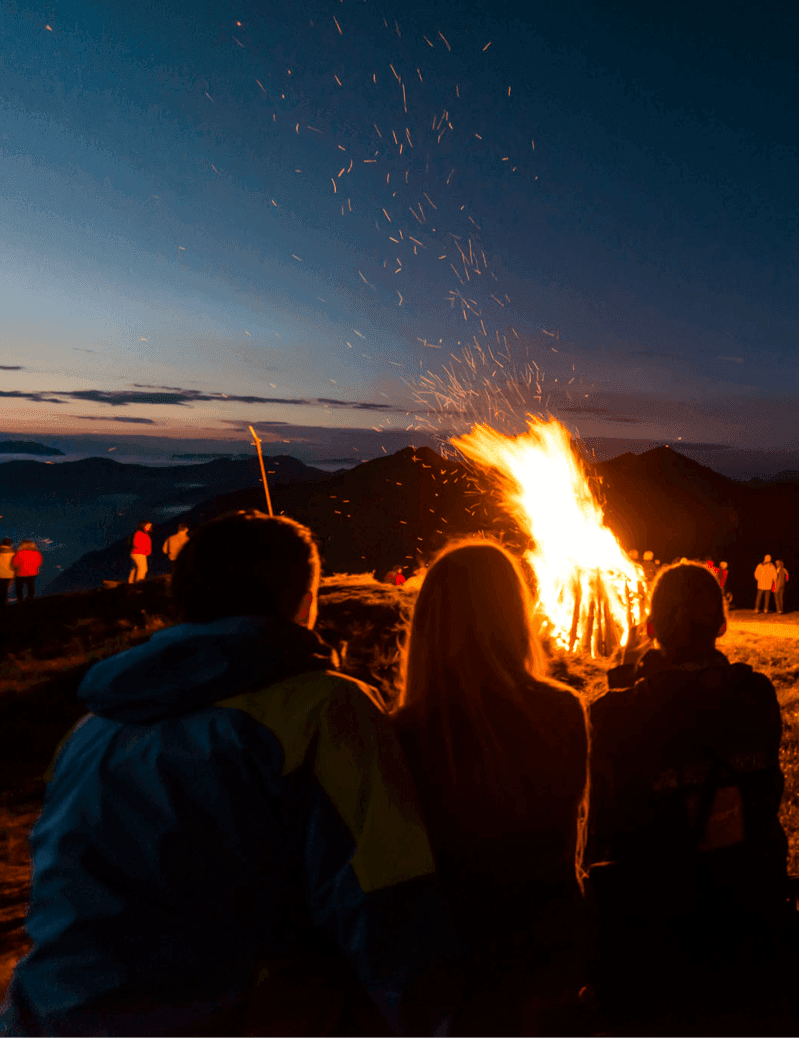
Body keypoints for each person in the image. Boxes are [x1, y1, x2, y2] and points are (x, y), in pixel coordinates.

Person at [0, 511, 459, 1038]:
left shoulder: (92, 729)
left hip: (45, 1015)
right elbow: (386, 901)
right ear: (305, 603)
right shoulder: (320, 710)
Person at [393, 540, 589, 1036]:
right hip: (546, 953)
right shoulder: (561, 711)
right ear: (514, 615)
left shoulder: (402, 733)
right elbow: (569, 841)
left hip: (450, 963)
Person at [589, 562, 791, 1029]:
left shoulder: (618, 714)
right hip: (749, 915)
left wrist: (629, 681)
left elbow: (609, 821)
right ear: (721, 625)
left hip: (657, 932)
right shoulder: (756, 696)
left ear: (651, 628)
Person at [0, 538, 15, 608]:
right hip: (9, 574)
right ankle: (4, 603)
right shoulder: (13, 552)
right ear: (10, 544)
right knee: (5, 589)